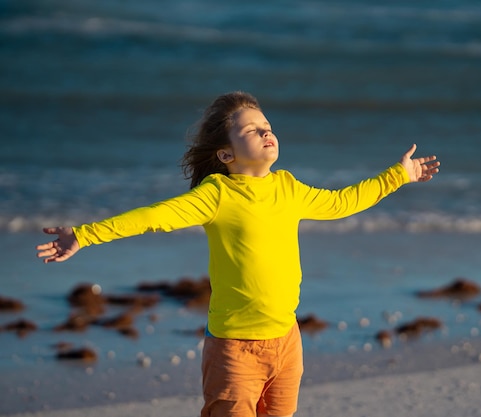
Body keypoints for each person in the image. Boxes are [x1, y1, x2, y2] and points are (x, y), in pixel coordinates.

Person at [36, 91, 440, 417]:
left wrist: (397, 176)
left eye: (266, 125)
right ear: (226, 155)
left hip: (286, 341)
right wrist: (84, 235)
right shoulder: (216, 196)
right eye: (251, 130)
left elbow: (342, 202)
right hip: (234, 349)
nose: (266, 132)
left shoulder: (289, 188)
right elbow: (153, 218)